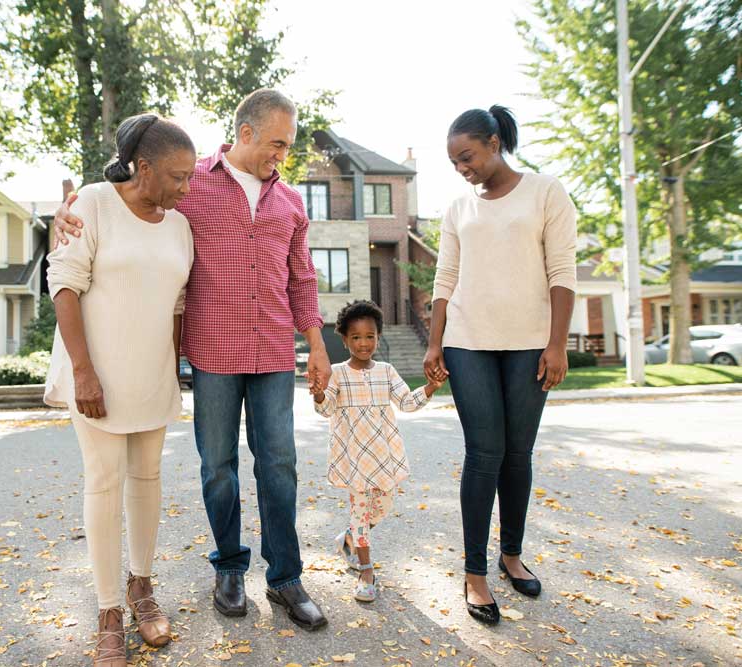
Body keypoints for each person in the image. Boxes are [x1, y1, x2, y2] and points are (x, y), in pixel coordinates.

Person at [52, 89, 332, 631]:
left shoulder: (292, 202)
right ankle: (228, 568)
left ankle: (286, 578)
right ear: (245, 133)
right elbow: (128, 189)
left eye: (288, 145)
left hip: (273, 346)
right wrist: (63, 212)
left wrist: (316, 343)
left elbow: (303, 275)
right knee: (217, 468)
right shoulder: (191, 182)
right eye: (277, 143)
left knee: (280, 465)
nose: (283, 154)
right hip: (213, 349)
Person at [43, 113, 196, 667]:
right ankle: (108, 610)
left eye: (192, 176)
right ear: (144, 166)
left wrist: (175, 371)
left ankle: (142, 587)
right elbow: (63, 285)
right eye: (178, 176)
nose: (187, 187)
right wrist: (83, 370)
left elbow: (177, 306)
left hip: (152, 373)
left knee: (148, 479)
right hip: (97, 376)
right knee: (104, 483)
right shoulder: (92, 204)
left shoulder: (179, 224)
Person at [423, 105, 577, 625]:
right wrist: (434, 343)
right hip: (469, 342)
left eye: (467, 156)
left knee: (518, 454)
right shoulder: (458, 210)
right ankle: (474, 572)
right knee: (484, 452)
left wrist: (557, 344)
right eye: (454, 162)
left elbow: (562, 272)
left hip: (531, 343)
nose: (462, 168)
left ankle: (510, 554)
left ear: (493, 143)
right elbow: (444, 280)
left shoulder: (546, 191)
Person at [314, 300, 443, 602]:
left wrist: (430, 388)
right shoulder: (337, 373)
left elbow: (406, 402)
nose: (363, 343)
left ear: (378, 337)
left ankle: (349, 537)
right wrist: (319, 392)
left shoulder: (386, 371)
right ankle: (366, 570)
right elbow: (326, 409)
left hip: (382, 457)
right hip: (354, 458)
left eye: (369, 336)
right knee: (360, 511)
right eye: (356, 337)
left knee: (382, 508)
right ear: (344, 339)